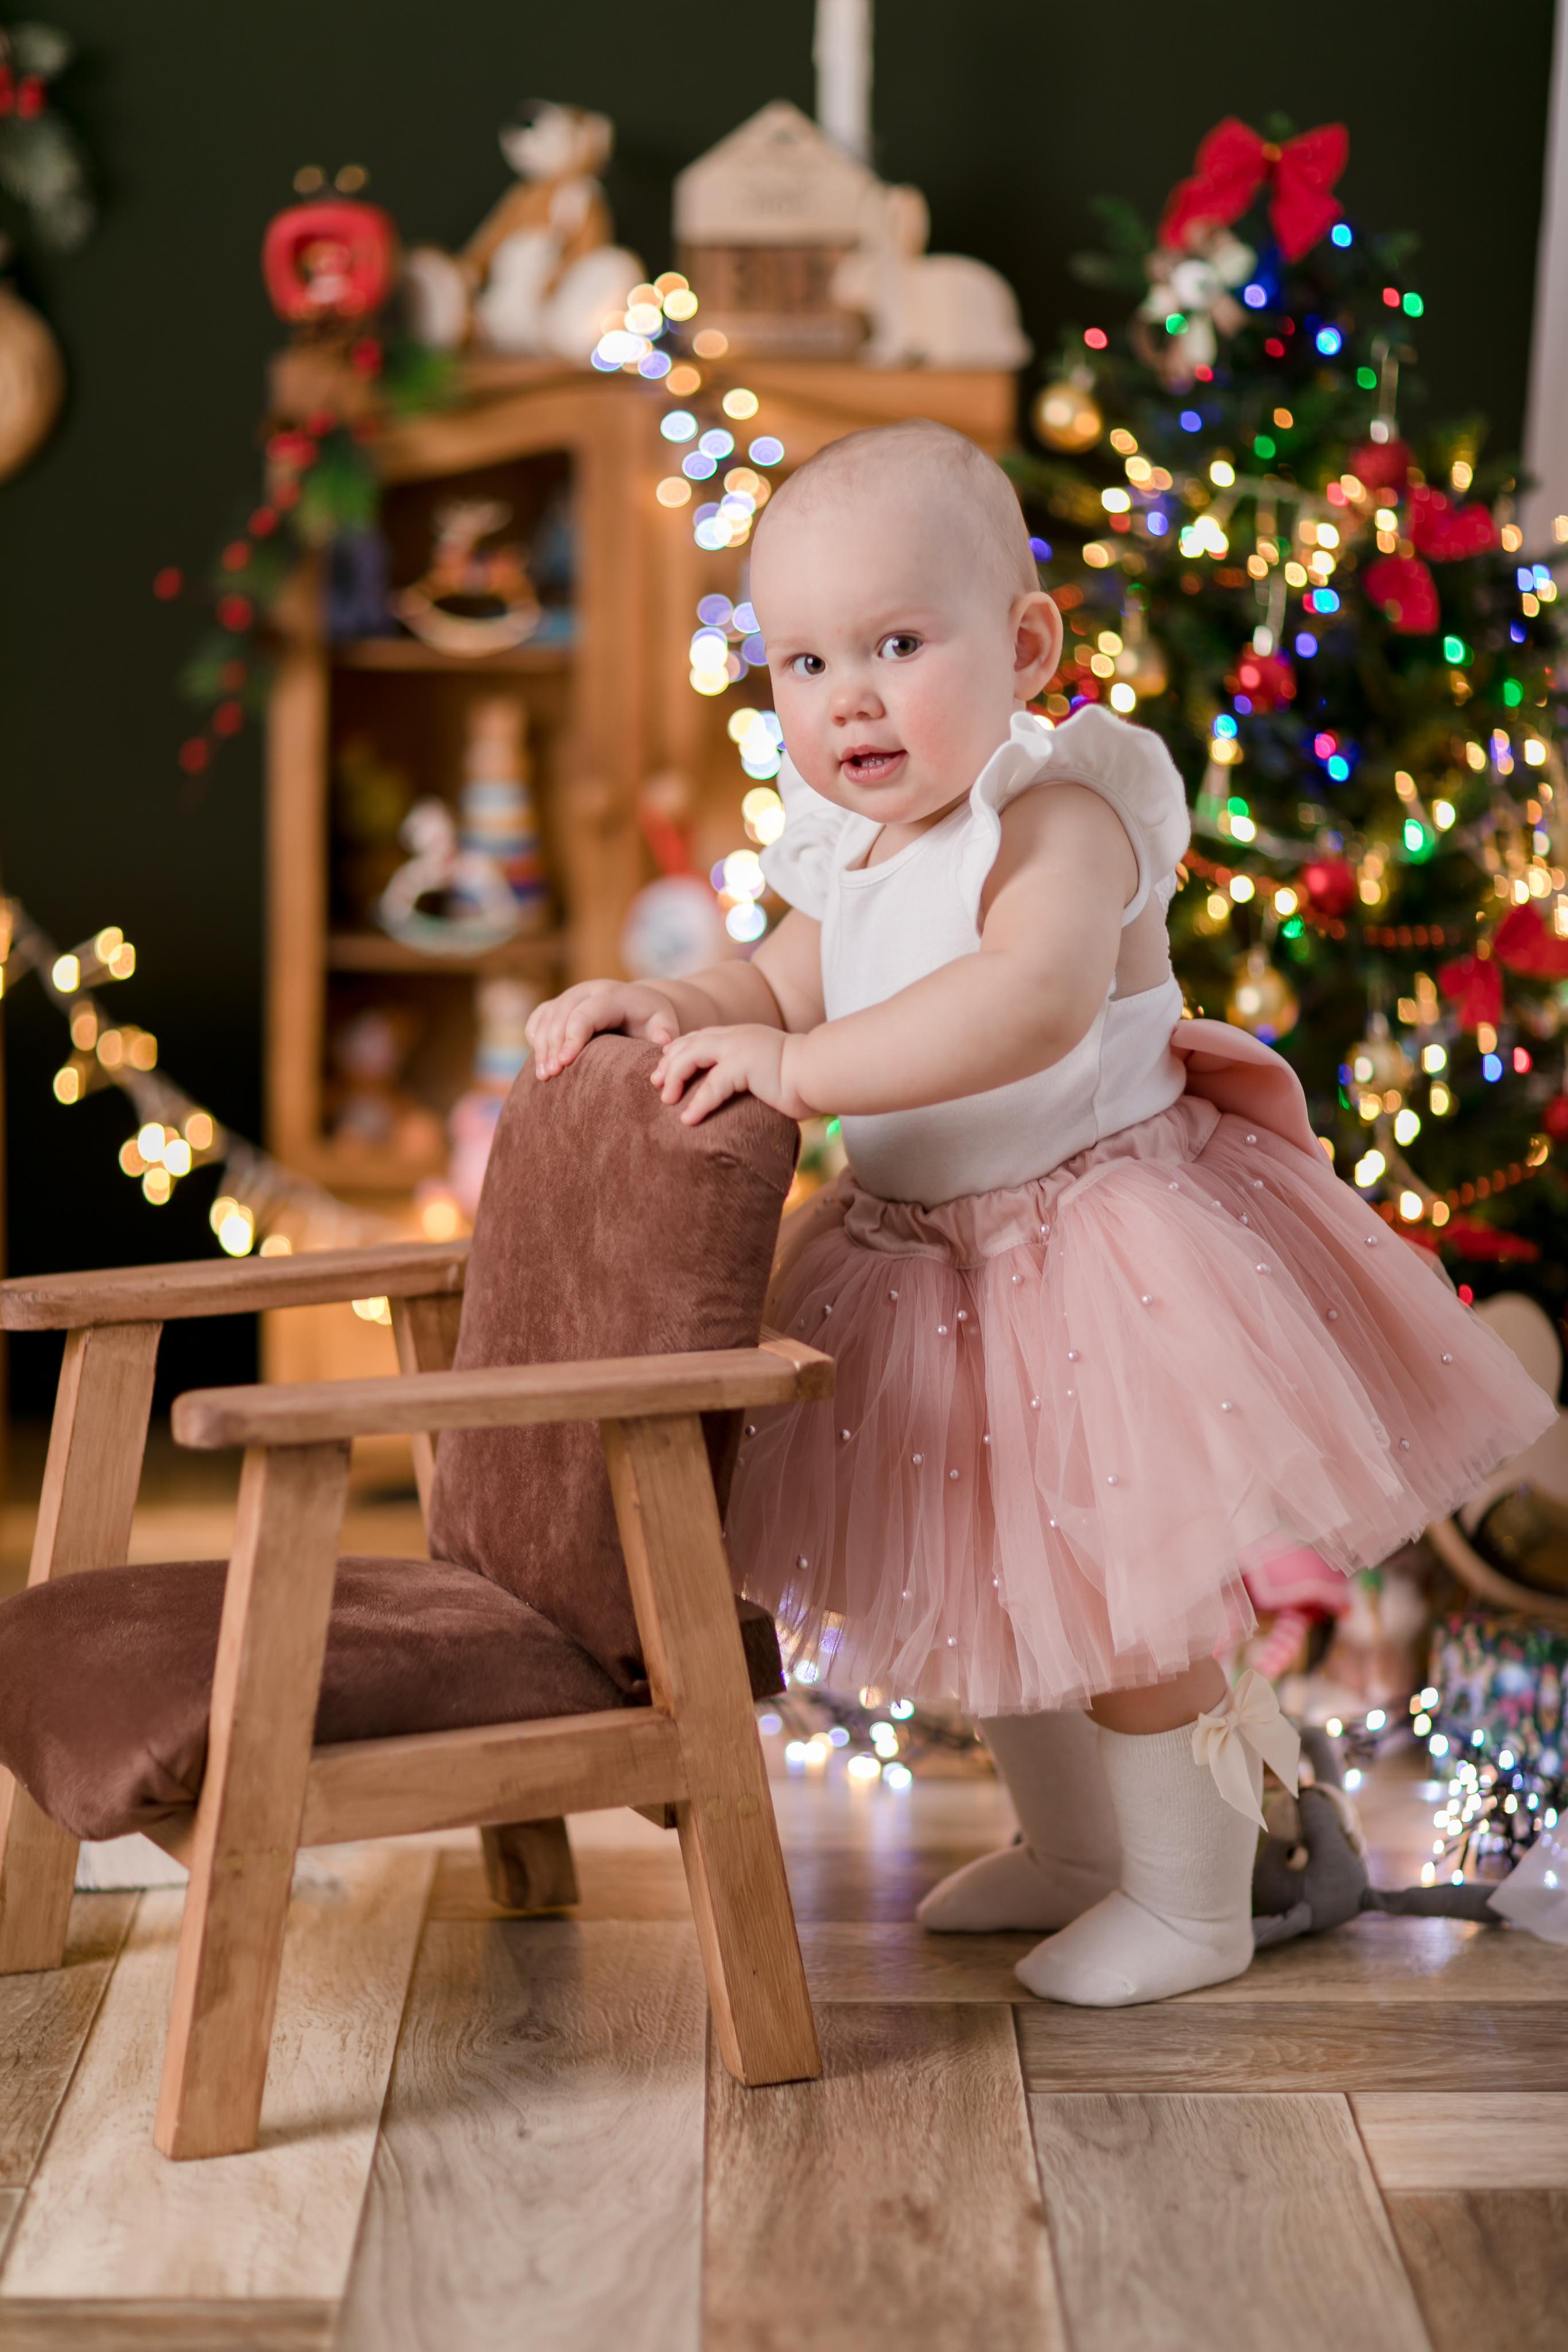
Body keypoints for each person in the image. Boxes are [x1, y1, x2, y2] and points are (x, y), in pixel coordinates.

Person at [524, 420, 1553, 2007]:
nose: (847, 695)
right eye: (801, 662)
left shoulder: (1058, 816)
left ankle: (1197, 1896)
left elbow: (1030, 1002)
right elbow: (761, 976)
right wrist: (657, 1002)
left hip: (1092, 1254)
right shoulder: (851, 847)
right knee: (984, 1582)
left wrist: (797, 1068)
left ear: (1022, 646)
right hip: (922, 1266)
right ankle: (1076, 1852)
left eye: (895, 642)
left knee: (1137, 1607)